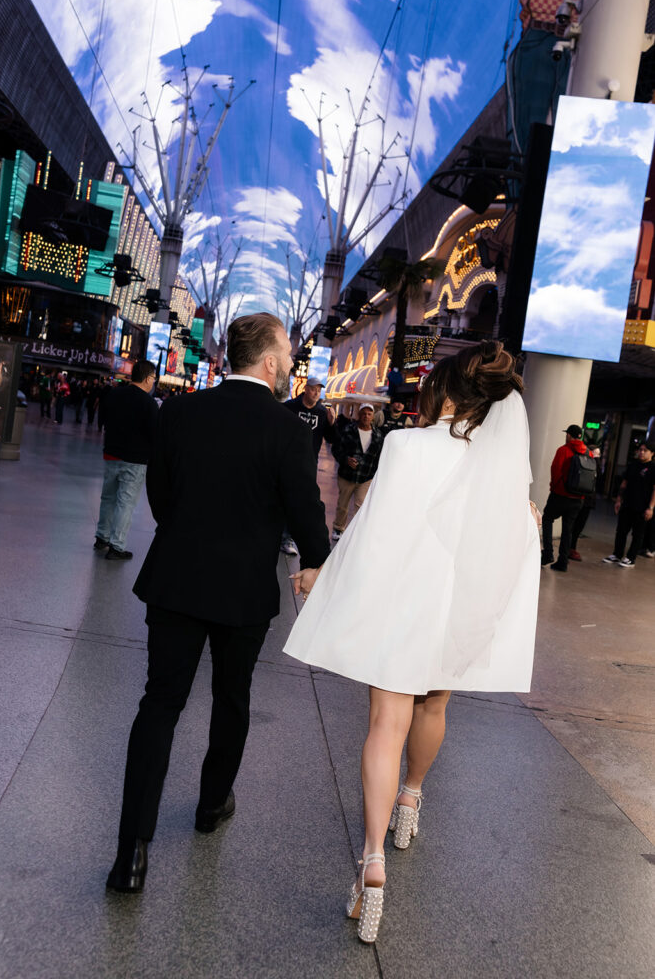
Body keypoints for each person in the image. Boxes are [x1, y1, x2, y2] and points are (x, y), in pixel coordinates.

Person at [284, 341, 540, 944]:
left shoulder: (405, 445)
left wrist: (327, 579)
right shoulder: (500, 463)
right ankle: (412, 799)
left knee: (384, 726)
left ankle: (371, 864)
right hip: (455, 612)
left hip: (401, 606)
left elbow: (372, 534)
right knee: (436, 705)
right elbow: (515, 539)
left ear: (446, 392)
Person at [106, 313, 329, 894]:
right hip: (244, 591)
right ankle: (210, 806)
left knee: (159, 703)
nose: (289, 363)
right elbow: (306, 512)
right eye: (287, 353)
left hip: (176, 579)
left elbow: (160, 491)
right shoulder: (288, 432)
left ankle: (130, 854)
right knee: (232, 698)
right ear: (271, 361)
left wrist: (185, 534)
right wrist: (314, 559)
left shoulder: (179, 412)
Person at [94, 361, 158, 561]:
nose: (154, 382)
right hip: (136, 460)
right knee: (125, 503)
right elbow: (154, 433)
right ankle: (117, 546)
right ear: (147, 378)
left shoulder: (114, 394)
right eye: (154, 378)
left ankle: (101, 538)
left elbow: (102, 418)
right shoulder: (149, 403)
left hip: (111, 454)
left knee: (108, 498)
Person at [280, 375, 337, 555]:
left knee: (297, 501)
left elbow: (333, 439)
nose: (315, 393)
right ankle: (275, 532)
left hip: (308, 464)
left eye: (319, 390)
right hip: (286, 460)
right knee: (279, 496)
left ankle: (287, 537)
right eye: (313, 389)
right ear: (305, 388)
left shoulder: (322, 413)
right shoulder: (290, 407)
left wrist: (332, 423)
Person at [540, 425, 591, 572]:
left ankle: (547, 554)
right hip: (578, 498)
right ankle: (563, 562)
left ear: (569, 435)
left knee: (548, 518)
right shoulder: (589, 453)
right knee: (567, 529)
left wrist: (554, 488)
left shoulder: (563, 450)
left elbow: (555, 470)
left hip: (560, 495)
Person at [331, 402, 383, 540]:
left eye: (369, 413)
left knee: (360, 506)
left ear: (373, 416)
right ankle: (338, 528)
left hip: (366, 476)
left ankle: (353, 532)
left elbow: (380, 456)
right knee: (343, 505)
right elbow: (336, 449)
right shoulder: (348, 430)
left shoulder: (378, 435)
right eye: (363, 413)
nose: (366, 416)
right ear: (359, 415)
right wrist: (346, 459)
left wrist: (376, 473)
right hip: (347, 475)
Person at [602, 441, 655, 568]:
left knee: (637, 534)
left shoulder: (653, 468)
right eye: (640, 450)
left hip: (642, 507)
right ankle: (617, 554)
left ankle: (631, 558)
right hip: (627, 504)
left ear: (652, 453)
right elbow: (624, 483)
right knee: (621, 531)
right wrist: (619, 500)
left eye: (645, 450)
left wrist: (651, 508)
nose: (641, 452)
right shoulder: (632, 465)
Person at [568, 445, 601, 561]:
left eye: (598, 455)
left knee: (579, 525)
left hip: (588, 500)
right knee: (573, 524)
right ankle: (569, 548)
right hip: (579, 497)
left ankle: (571, 547)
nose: (596, 457)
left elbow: (600, 476)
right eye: (595, 454)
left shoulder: (595, 465)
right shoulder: (581, 461)